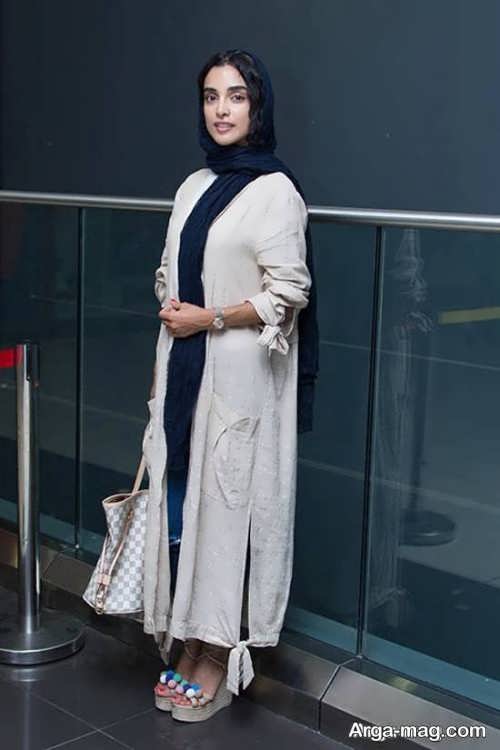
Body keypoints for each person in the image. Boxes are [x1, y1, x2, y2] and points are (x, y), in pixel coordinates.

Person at [141, 48, 319, 723]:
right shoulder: (193, 186)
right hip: (186, 371)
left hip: (239, 378)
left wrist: (210, 316)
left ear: (257, 106)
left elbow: (289, 292)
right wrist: (172, 309)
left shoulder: (274, 191)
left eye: (236, 96)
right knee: (186, 509)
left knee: (228, 515)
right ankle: (188, 641)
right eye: (211, 96)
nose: (221, 109)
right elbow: (169, 270)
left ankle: (215, 654)